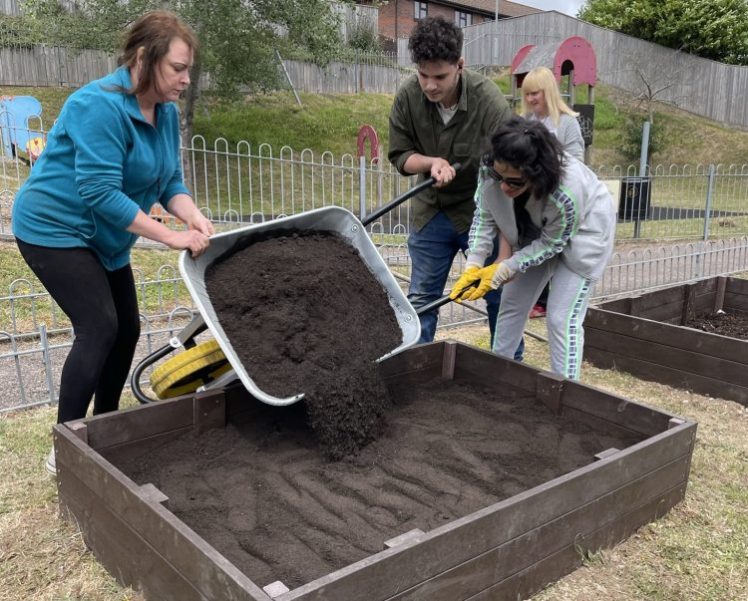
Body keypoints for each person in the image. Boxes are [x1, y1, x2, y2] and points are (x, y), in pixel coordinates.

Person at [11, 10, 214, 473]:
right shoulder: (96, 106)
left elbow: (169, 183)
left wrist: (196, 218)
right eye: (178, 69)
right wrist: (170, 237)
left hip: (104, 237)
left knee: (128, 328)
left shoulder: (163, 112)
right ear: (144, 58)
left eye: (188, 70)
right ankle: (66, 448)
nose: (185, 79)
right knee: (100, 326)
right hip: (53, 227)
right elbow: (100, 192)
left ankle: (105, 431)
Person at [388, 16, 521, 355]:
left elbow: (514, 179)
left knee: (499, 296)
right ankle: (414, 370)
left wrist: (505, 257)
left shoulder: (488, 101)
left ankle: (510, 372)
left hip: (481, 214)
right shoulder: (407, 96)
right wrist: (431, 162)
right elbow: (401, 155)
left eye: (440, 77)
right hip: (431, 213)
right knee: (422, 300)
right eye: (423, 75)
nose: (430, 85)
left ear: (460, 65)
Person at [449, 116, 615, 380]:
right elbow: (485, 215)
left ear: (536, 174)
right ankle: (497, 381)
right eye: (499, 177)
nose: (503, 186)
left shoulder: (566, 192)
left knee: (562, 319)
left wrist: (507, 267)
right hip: (533, 226)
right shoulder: (493, 165)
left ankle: (564, 394)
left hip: (585, 231)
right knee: (511, 304)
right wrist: (474, 264)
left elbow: (552, 243)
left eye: (514, 182)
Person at [520, 66, 586, 319]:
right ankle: (535, 299)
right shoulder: (528, 123)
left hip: (558, 200)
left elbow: (577, 162)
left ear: (548, 91)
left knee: (556, 251)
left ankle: (550, 302)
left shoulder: (566, 123)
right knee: (532, 247)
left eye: (535, 93)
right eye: (527, 94)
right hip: (532, 200)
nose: (530, 99)